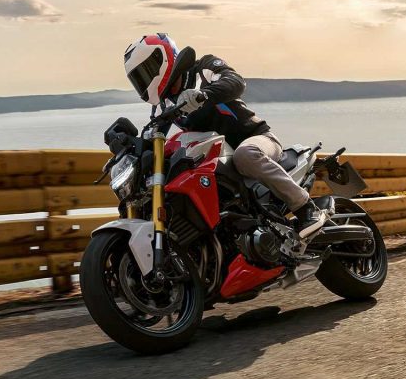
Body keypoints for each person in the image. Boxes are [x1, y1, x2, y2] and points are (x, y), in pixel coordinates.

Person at [122, 33, 327, 239]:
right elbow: (154, 136)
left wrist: (205, 95)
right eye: (139, 78)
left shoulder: (202, 69)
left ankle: (306, 208)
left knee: (245, 155)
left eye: (146, 71)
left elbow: (235, 82)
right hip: (219, 160)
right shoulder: (164, 104)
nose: (145, 80)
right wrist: (124, 143)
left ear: (163, 59)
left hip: (257, 140)